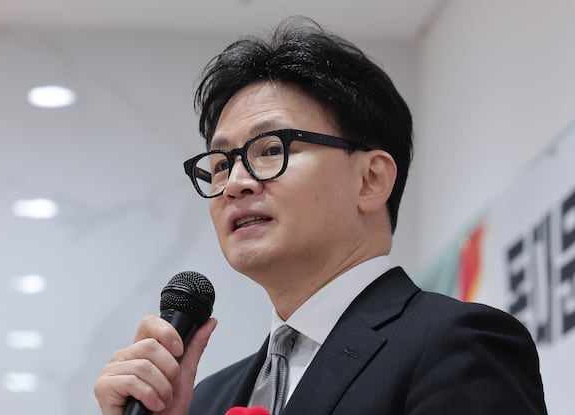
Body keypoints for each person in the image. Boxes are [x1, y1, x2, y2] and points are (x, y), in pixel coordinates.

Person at [94, 16, 547, 415]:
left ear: (371, 179)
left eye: (271, 150)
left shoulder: (458, 343)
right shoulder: (207, 400)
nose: (234, 183)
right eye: (220, 164)